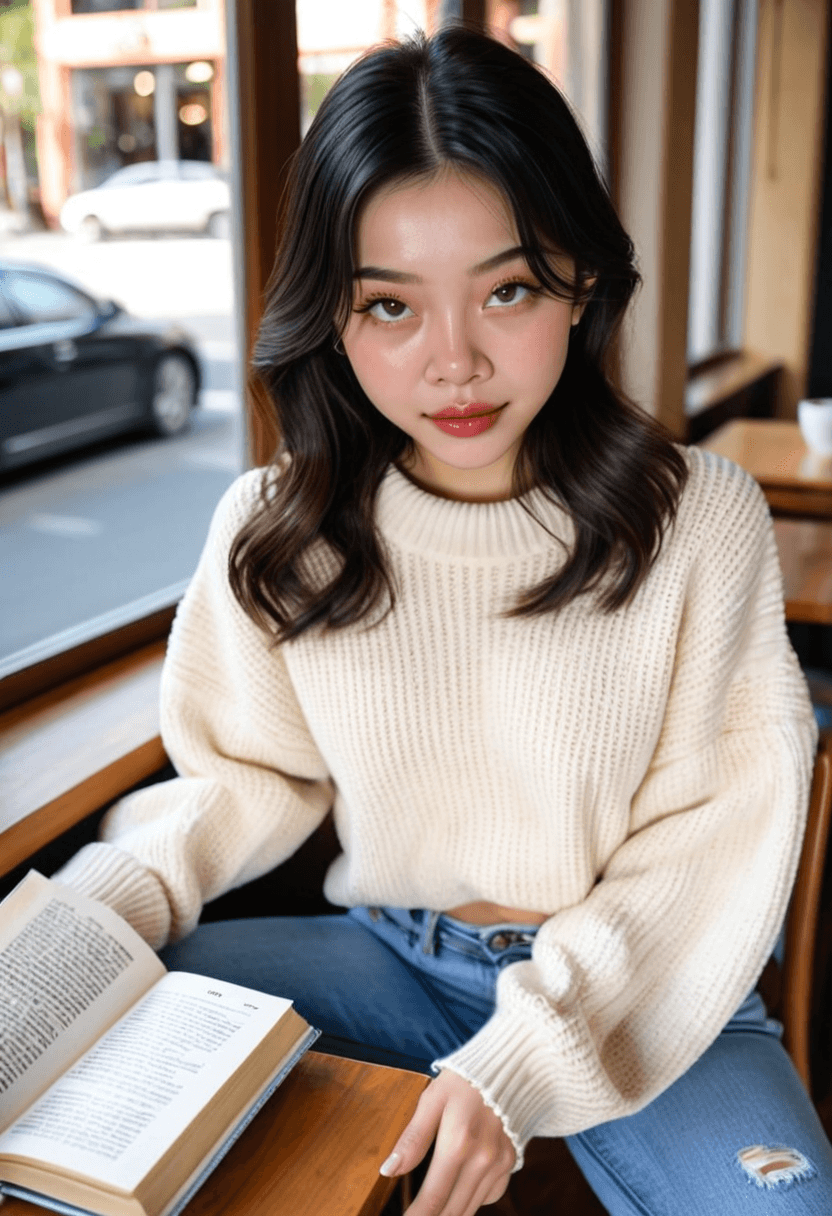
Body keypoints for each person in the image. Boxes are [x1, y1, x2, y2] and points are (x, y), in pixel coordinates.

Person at [53, 24, 832, 1216]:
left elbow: (709, 839)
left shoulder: (697, 519)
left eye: (506, 289)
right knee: (77, 1046)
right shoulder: (279, 526)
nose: (453, 363)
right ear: (332, 314)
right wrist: (100, 911)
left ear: (580, 283)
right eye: (389, 306)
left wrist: (516, 1065)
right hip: (387, 959)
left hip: (652, 983)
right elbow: (246, 778)